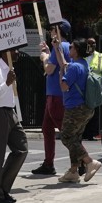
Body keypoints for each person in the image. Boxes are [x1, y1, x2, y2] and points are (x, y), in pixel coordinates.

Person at [56, 38, 102, 183]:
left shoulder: (75, 67)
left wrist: (60, 75)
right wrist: (57, 49)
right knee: (75, 139)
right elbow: (65, 64)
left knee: (66, 137)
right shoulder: (83, 64)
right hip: (86, 108)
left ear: (76, 51)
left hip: (75, 108)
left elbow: (64, 86)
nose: (69, 49)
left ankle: (89, 162)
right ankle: (73, 171)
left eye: (71, 47)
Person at [0, 52, 28, 203]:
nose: (18, 53)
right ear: (6, 51)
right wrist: (6, 83)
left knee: (21, 148)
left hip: (10, 111)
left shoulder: (10, 68)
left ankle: (2, 188)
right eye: (15, 49)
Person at [30, 19, 71, 176]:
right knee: (47, 128)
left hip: (56, 95)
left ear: (59, 32)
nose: (51, 32)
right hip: (56, 94)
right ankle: (49, 163)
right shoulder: (64, 47)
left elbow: (49, 69)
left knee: (66, 132)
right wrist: (48, 52)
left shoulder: (59, 48)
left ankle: (82, 160)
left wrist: (44, 57)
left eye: (53, 30)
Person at [82, 36, 102, 140]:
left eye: (93, 43)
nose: (91, 46)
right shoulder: (82, 55)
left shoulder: (100, 57)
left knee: (94, 112)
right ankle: (82, 133)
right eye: (89, 43)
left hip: (95, 89)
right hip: (83, 89)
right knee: (82, 111)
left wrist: (100, 88)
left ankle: (91, 133)